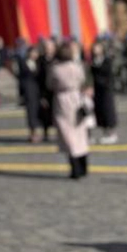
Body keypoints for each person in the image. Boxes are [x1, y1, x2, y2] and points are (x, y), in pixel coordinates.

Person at [49, 41, 91, 179]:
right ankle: (84, 165)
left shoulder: (55, 69)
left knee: (68, 135)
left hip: (62, 100)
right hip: (76, 97)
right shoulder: (76, 67)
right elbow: (82, 79)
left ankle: (75, 169)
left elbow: (50, 84)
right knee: (80, 132)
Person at [90, 41, 118, 144]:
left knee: (108, 110)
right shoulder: (93, 61)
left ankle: (112, 132)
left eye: (97, 47)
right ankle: (105, 132)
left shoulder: (106, 60)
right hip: (97, 90)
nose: (95, 50)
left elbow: (109, 74)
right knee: (100, 111)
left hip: (106, 89)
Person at [18, 46, 44, 143]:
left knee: (39, 112)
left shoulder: (39, 63)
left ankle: (41, 132)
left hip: (38, 91)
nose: (34, 55)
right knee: (31, 113)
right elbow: (21, 79)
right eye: (33, 52)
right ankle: (33, 133)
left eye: (36, 53)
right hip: (28, 91)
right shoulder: (23, 62)